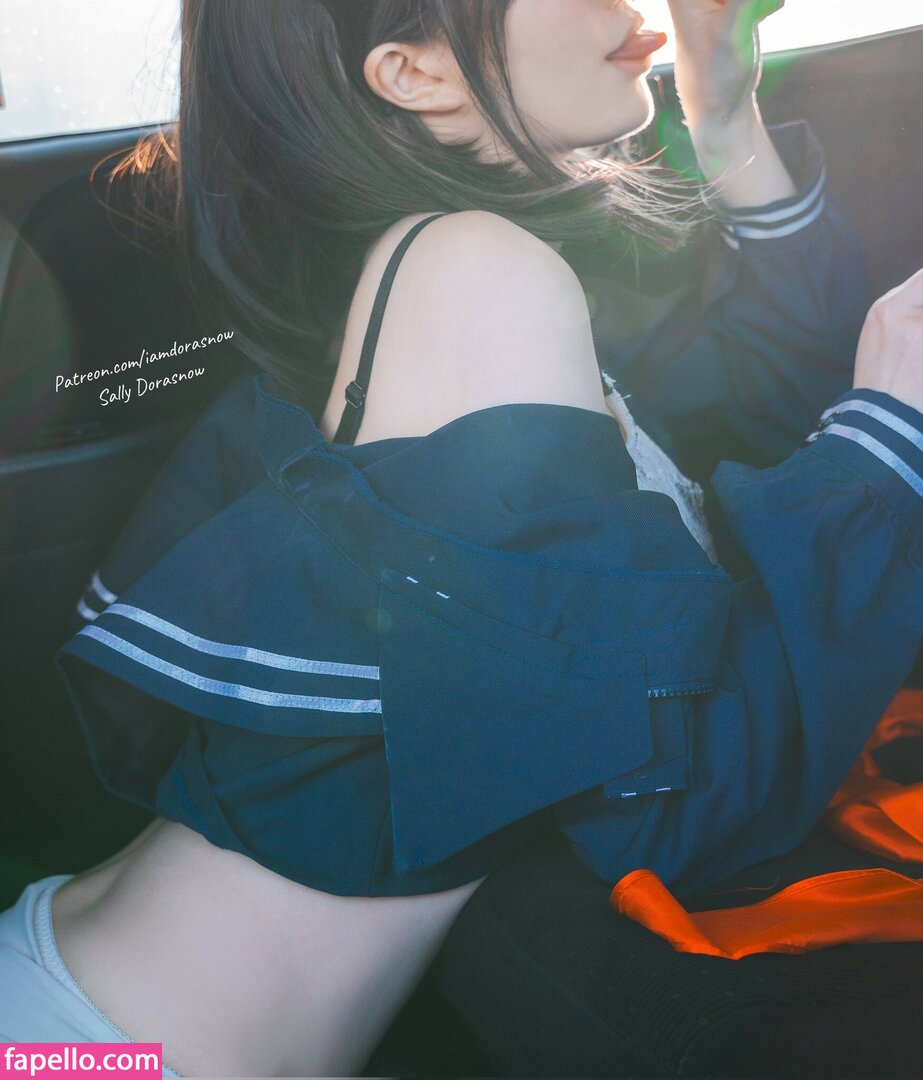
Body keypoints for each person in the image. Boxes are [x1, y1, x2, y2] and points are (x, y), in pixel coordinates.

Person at [1, 0, 921, 1076]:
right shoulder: (476, 270)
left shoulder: (438, 271)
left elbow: (749, 403)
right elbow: (663, 811)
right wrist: (886, 437)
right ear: (415, 73)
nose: (627, 4)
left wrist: (722, 119)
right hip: (99, 1049)